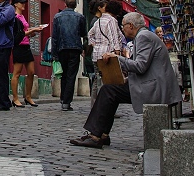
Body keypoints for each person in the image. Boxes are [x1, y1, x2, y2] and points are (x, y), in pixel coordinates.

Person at [70, 12, 182, 148]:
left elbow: (140, 66)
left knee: (108, 91)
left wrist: (117, 58)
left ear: (131, 26)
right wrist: (126, 79)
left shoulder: (143, 37)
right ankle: (102, 134)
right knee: (111, 89)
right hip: (153, 85)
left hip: (154, 89)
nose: (122, 29)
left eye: (123, 26)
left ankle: (96, 135)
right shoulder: (145, 36)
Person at [51, 0, 87, 111]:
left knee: (64, 75)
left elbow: (55, 37)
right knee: (71, 76)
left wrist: (54, 54)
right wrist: (83, 48)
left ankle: (63, 99)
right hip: (75, 48)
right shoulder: (80, 17)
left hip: (62, 48)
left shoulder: (57, 17)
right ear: (75, 5)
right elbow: (83, 34)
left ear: (65, 4)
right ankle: (66, 101)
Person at [88, 0, 126, 104]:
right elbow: (113, 37)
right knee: (109, 82)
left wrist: (94, 44)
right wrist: (117, 52)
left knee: (97, 81)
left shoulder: (98, 20)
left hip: (96, 54)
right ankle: (104, 107)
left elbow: (90, 34)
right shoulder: (112, 21)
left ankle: (94, 106)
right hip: (107, 55)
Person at [10, 0, 44, 108]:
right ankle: (15, 98)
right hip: (18, 46)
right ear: (15, 4)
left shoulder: (22, 17)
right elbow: (18, 35)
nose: (23, 4)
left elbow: (25, 31)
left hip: (26, 45)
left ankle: (28, 96)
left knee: (31, 72)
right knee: (17, 73)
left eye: (24, 2)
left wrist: (32, 32)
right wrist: (33, 30)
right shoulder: (14, 17)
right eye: (21, 2)